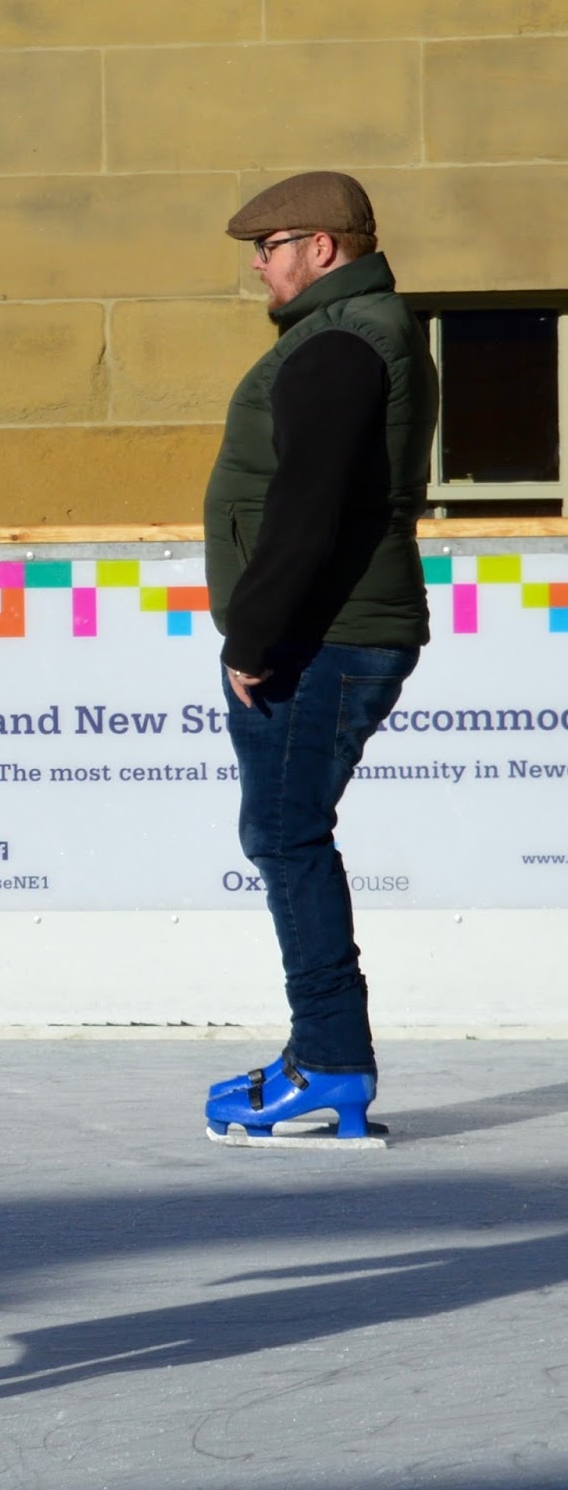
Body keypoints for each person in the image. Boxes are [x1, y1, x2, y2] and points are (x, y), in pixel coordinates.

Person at [200, 172, 437, 1145]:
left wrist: (254, 636)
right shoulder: (352, 333)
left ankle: (332, 1063)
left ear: (323, 249)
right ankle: (321, 1051)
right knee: (287, 831)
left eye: (272, 245)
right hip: (333, 627)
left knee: (288, 835)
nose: (258, 262)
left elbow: (309, 507)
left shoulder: (340, 344)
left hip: (325, 633)